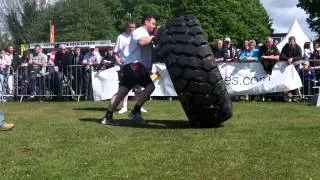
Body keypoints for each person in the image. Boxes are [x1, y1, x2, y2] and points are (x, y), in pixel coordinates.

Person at [101, 14, 157, 125]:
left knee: (122, 92)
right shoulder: (140, 31)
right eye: (153, 23)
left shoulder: (146, 34)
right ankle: (135, 112)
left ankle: (107, 117)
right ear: (146, 22)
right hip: (135, 65)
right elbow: (141, 42)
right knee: (150, 87)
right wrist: (154, 37)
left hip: (132, 65)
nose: (155, 26)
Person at [112, 21, 147, 114]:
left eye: (133, 27)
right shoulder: (120, 37)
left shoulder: (136, 36)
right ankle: (124, 106)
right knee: (125, 88)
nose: (131, 29)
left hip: (137, 64)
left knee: (139, 87)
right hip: (125, 65)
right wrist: (119, 63)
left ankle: (139, 106)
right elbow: (115, 52)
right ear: (126, 27)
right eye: (130, 27)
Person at [280, 36, 302, 102]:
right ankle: (287, 96)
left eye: (291, 42)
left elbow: (300, 56)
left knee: (294, 81)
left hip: (295, 67)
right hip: (286, 67)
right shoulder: (285, 46)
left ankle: (295, 96)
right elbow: (281, 55)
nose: (290, 43)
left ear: (294, 42)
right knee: (287, 81)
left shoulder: (298, 47)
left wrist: (293, 58)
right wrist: (287, 59)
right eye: (289, 42)